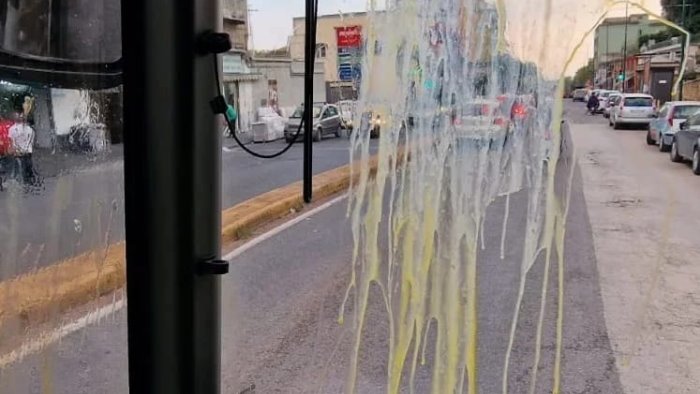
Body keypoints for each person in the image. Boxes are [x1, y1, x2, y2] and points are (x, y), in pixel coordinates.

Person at [8, 110, 36, 186]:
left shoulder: (30, 129)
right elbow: (11, 141)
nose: (22, 118)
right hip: (19, 153)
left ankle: (28, 181)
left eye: (23, 117)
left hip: (26, 152)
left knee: (27, 167)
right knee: (23, 168)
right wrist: (13, 149)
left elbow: (31, 141)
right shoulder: (12, 129)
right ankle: (25, 182)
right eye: (21, 117)